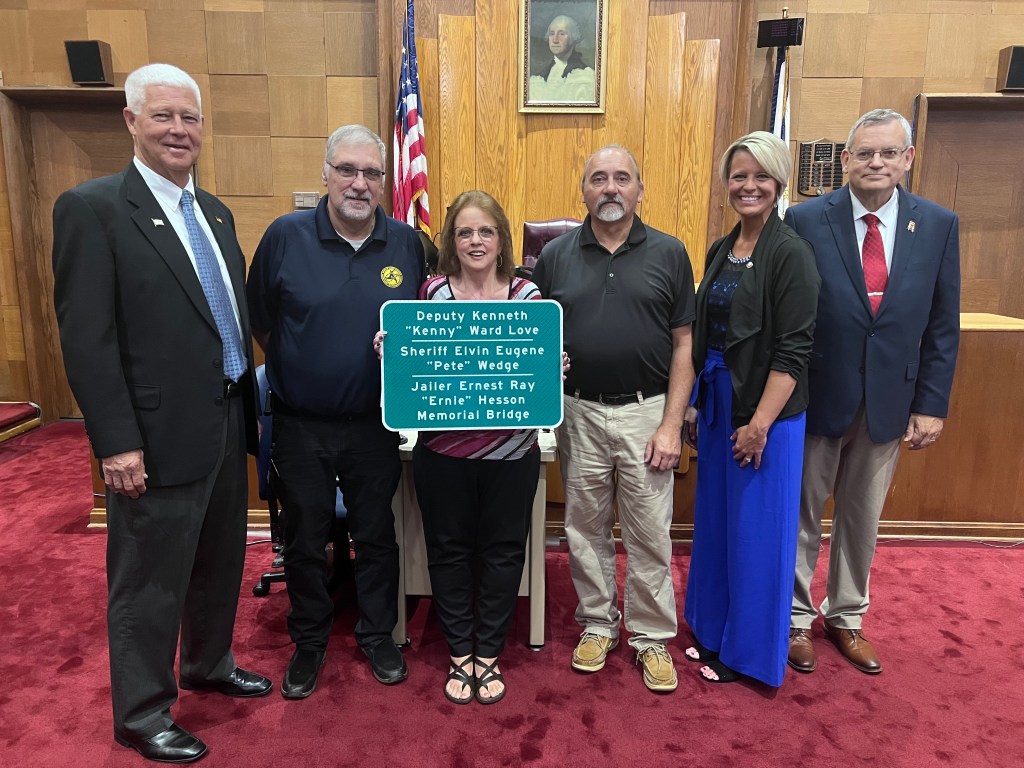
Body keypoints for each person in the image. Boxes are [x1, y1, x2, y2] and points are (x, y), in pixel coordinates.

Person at [52, 63, 271, 764]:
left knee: (217, 559)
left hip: (225, 421)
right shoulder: (93, 209)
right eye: (163, 117)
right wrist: (115, 441)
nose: (179, 131)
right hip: (151, 436)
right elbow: (88, 339)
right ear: (131, 121)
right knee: (147, 579)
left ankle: (207, 663)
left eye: (190, 119)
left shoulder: (214, 211)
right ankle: (142, 713)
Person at [246, 125, 425, 698]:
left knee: (376, 535)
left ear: (383, 182)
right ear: (324, 173)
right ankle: (311, 641)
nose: (359, 183)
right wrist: (306, 366)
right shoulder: (285, 236)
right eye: (347, 170)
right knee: (303, 540)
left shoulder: (407, 244)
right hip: (301, 423)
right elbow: (262, 320)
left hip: (376, 425)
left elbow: (423, 327)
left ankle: (377, 634)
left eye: (372, 173)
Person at [784, 109, 960, 675]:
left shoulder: (937, 224)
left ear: (908, 158)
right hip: (816, 395)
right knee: (802, 514)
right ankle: (792, 618)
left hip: (890, 399)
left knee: (861, 515)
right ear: (845, 159)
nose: (876, 163)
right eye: (864, 153)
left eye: (887, 153)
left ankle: (846, 616)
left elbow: (941, 322)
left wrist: (931, 404)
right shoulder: (806, 218)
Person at [532, 145, 696, 693]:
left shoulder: (670, 253)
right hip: (576, 410)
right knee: (584, 527)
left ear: (639, 190)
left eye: (621, 178)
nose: (610, 188)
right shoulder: (554, 255)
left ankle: (650, 637)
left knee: (650, 533)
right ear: (583, 190)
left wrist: (672, 425)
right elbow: (531, 336)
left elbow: (684, 345)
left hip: (647, 411)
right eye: (598, 178)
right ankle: (598, 624)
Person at [682, 132, 820, 686]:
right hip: (718, 405)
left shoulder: (790, 253)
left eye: (760, 176)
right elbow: (705, 334)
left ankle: (748, 655)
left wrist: (759, 425)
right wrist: (693, 405)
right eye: (739, 176)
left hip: (766, 419)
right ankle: (713, 634)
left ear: (780, 182)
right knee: (716, 526)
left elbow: (795, 348)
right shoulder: (723, 247)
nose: (749, 186)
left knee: (758, 537)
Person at [403, 190, 544, 705]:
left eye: (486, 231)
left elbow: (537, 369)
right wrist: (393, 350)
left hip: (512, 454)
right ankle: (460, 651)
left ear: (502, 239)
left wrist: (554, 367)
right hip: (443, 453)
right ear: (451, 241)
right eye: (465, 232)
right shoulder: (431, 293)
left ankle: (489, 654)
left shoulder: (528, 297)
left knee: (505, 554)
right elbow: (419, 366)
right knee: (449, 552)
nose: (476, 241)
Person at [528, 14, 596, 102]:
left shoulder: (587, 76)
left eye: (561, 34)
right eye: (552, 34)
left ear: (573, 37)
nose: (555, 40)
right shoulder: (536, 79)